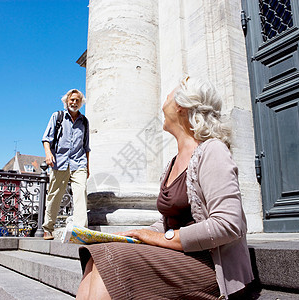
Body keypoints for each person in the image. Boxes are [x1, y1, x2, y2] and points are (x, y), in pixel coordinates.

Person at [76, 76, 254, 299]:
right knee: (98, 253)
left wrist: (162, 238)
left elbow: (228, 224)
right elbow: (168, 222)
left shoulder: (213, 150)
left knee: (112, 259)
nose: (163, 104)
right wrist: (133, 235)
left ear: (181, 105)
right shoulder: (172, 164)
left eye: (168, 97)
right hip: (180, 255)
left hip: (211, 265)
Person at [41, 89, 90, 240]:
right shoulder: (58, 116)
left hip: (79, 162)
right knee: (55, 195)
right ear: (66, 101)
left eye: (77, 100)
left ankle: (80, 230)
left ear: (81, 103)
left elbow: (86, 146)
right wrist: (48, 154)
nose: (74, 102)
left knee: (81, 193)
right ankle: (48, 228)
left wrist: (88, 167)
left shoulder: (85, 121)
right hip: (59, 162)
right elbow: (46, 138)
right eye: (72, 100)